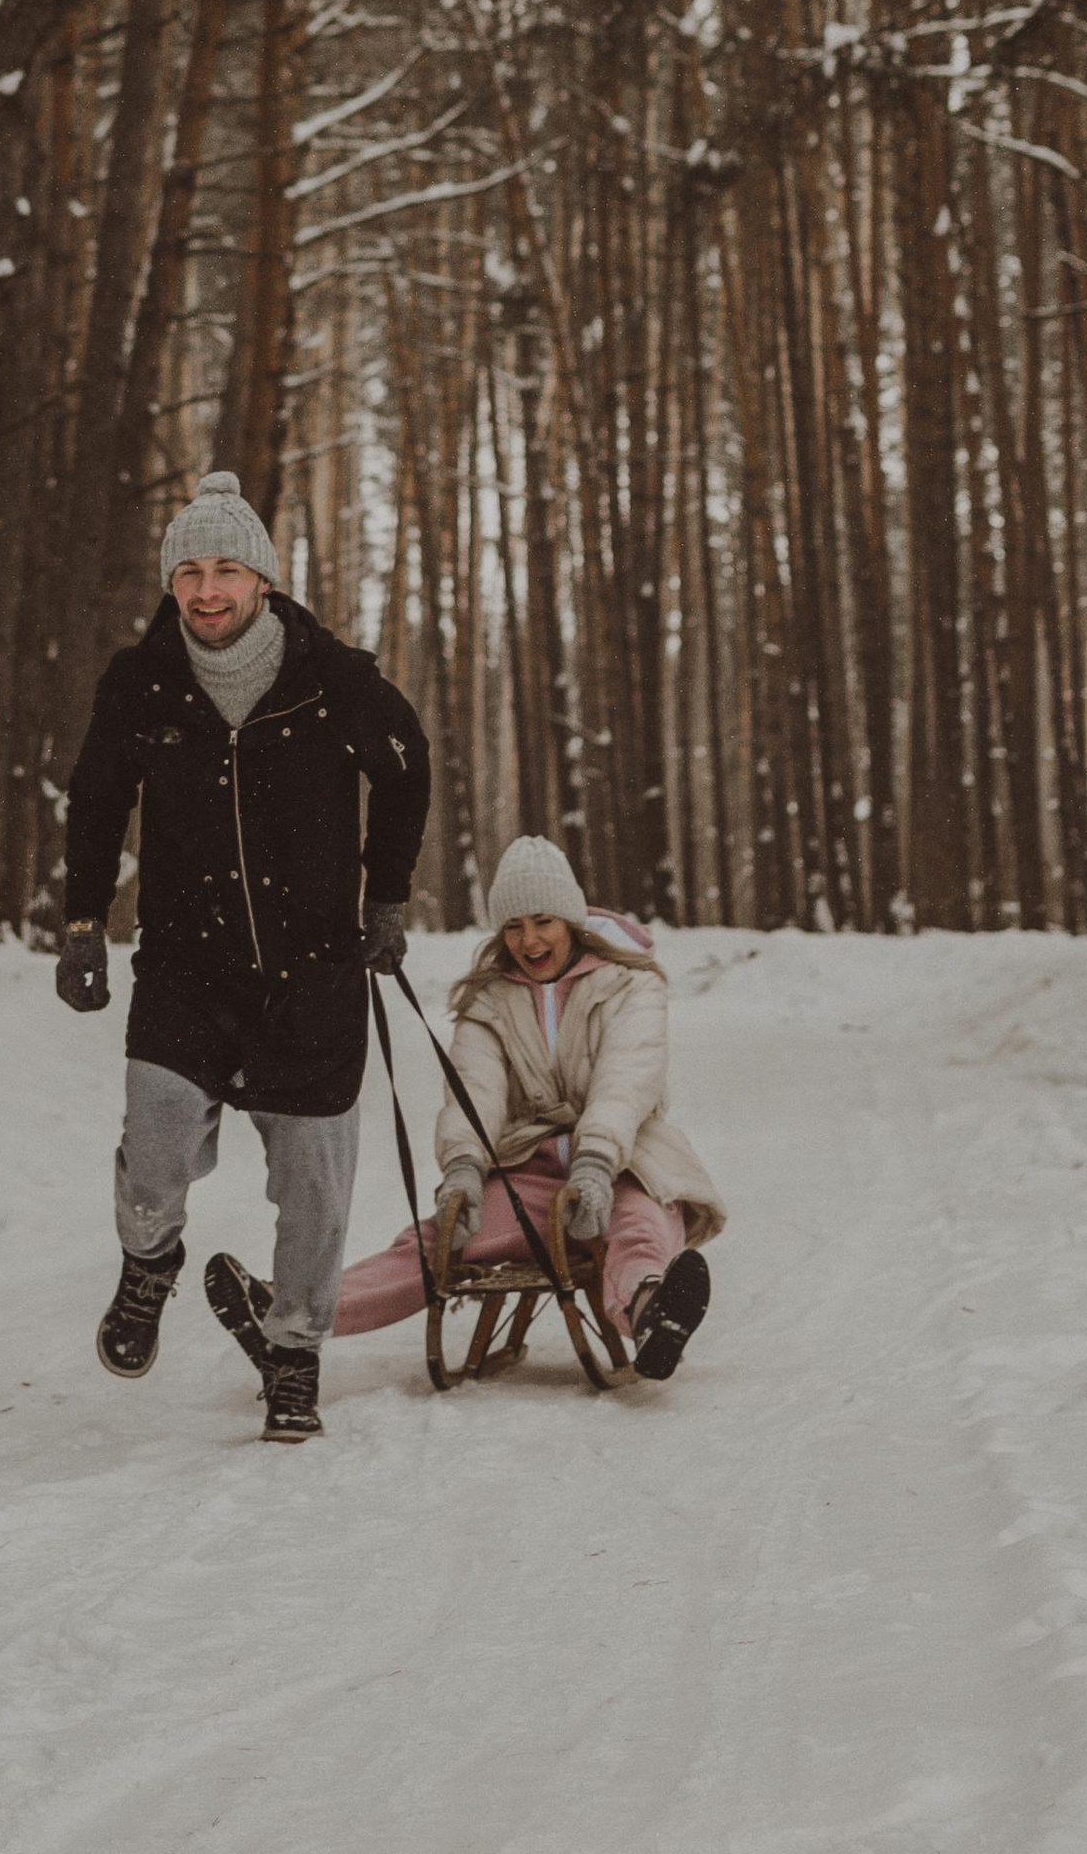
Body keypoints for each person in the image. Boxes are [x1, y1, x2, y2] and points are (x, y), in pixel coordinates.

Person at [56, 468, 432, 1445]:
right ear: (172, 582)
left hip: (311, 971)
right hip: (184, 963)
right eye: (189, 571)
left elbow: (406, 768)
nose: (207, 590)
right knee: (157, 1138)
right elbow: (96, 802)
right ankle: (149, 1261)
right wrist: (82, 921)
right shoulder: (140, 683)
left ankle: (296, 1353)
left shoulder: (333, 681)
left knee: (314, 1179)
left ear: (263, 579)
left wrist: (384, 895)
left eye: (226, 569)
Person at [332, 833, 725, 1377]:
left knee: (637, 1226)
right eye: (513, 926)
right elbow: (474, 1090)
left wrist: (595, 1162)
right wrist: (464, 1169)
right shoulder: (488, 999)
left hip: (629, 1158)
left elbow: (625, 1079)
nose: (529, 939)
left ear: (571, 921)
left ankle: (653, 1314)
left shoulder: (629, 985)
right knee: (440, 1239)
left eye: (543, 921)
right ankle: (298, 1314)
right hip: (531, 1171)